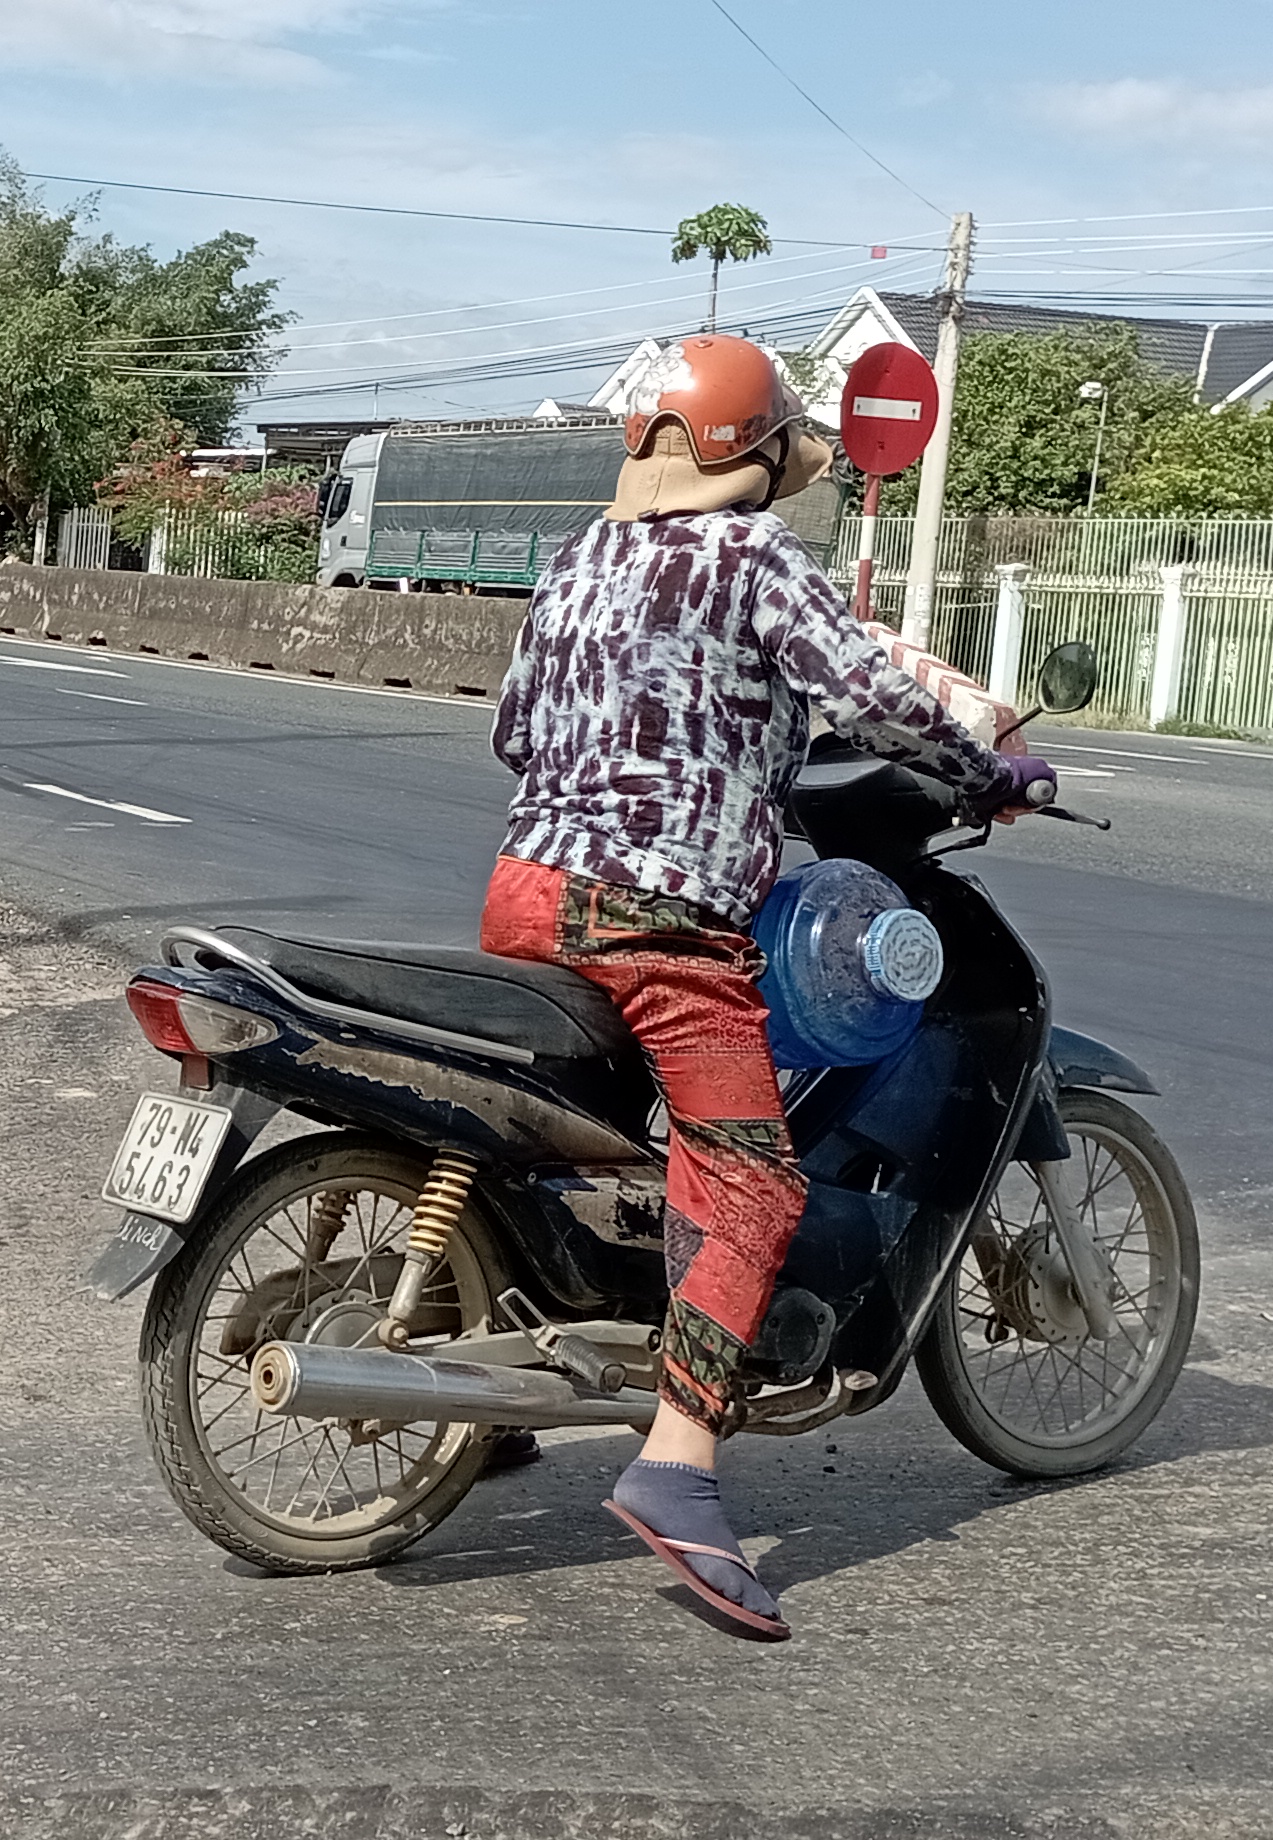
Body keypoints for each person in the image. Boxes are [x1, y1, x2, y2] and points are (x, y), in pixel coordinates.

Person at [482, 333, 1052, 1641]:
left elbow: (513, 730)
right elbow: (868, 693)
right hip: (662, 915)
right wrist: (986, 772)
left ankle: (502, 1400)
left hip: (527, 889)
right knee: (751, 1181)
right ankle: (678, 1465)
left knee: (561, 1133)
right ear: (753, 454)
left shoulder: (576, 560)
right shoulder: (755, 561)